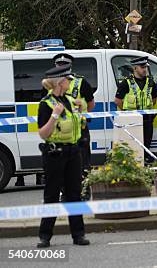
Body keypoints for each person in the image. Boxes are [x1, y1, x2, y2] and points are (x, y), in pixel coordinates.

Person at [37, 65, 90, 248]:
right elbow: (43, 133)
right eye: (68, 79)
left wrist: (80, 111)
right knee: (51, 194)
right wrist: (54, 116)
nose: (70, 81)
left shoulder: (70, 100)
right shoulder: (46, 104)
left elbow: (80, 122)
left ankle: (78, 234)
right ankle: (45, 236)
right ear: (60, 82)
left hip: (73, 152)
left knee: (74, 194)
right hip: (54, 154)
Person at [52, 53, 95, 187]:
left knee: (83, 163)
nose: (62, 68)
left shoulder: (81, 82)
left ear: (70, 67)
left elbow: (91, 104)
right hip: (60, 131)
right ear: (55, 66)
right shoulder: (50, 84)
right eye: (60, 65)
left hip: (80, 130)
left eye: (65, 65)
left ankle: (84, 190)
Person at [114, 56, 157, 163]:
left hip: (147, 120)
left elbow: (153, 100)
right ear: (135, 68)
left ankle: (146, 166)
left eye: (146, 67)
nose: (145, 69)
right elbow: (118, 101)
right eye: (142, 67)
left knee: (146, 147)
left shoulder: (151, 83)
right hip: (132, 121)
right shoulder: (126, 83)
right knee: (132, 147)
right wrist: (128, 114)